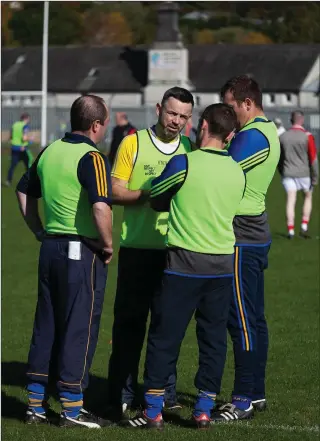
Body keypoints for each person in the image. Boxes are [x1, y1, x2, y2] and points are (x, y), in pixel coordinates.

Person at [123, 103, 246, 430]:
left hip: (183, 263)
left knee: (165, 336)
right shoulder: (238, 170)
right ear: (230, 135)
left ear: (202, 126)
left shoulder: (183, 162)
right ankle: (203, 409)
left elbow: (157, 198)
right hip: (222, 265)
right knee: (213, 339)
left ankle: (152, 411)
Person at [15, 95, 113, 429]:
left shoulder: (49, 150)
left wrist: (38, 229)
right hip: (80, 252)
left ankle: (34, 404)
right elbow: (101, 206)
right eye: (104, 123)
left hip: (50, 249)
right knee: (78, 326)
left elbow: (23, 190)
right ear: (96, 124)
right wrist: (108, 244)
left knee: (47, 323)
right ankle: (72, 409)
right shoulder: (93, 157)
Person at [107, 87, 194, 419]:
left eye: (183, 117)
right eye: (172, 113)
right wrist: (149, 192)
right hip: (137, 249)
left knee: (167, 327)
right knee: (129, 325)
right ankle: (122, 394)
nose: (176, 121)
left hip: (176, 250)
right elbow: (114, 190)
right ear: (159, 109)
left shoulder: (189, 147)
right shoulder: (133, 142)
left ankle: (164, 393)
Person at [211, 75, 280, 422]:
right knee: (253, 317)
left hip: (242, 236)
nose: (229, 112)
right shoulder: (265, 133)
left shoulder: (254, 137)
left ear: (247, 104)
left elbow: (218, 170)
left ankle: (243, 398)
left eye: (232, 106)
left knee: (240, 318)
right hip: (253, 233)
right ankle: (256, 392)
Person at [278, 110, 318, 239]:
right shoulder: (307, 136)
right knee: (307, 197)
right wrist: (315, 176)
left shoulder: (283, 137)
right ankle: (304, 226)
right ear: (302, 120)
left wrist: (281, 171)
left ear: (291, 120)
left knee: (291, 200)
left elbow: (279, 158)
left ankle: (291, 230)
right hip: (304, 173)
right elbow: (313, 159)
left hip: (288, 173)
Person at [5, 113, 31, 187]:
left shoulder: (15, 124)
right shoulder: (25, 126)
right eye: (28, 119)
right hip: (22, 149)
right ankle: (30, 181)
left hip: (14, 148)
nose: (29, 121)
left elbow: (11, 136)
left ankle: (8, 181)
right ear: (26, 119)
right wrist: (31, 139)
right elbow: (24, 138)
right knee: (28, 166)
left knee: (12, 166)